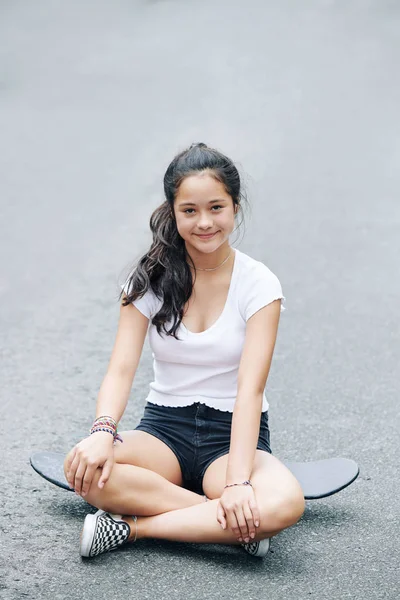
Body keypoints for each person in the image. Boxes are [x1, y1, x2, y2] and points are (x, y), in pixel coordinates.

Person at [64, 142, 305, 559]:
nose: (204, 222)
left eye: (216, 208)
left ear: (235, 208)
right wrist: (103, 432)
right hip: (163, 431)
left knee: (285, 504)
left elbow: (250, 389)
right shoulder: (149, 280)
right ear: (173, 213)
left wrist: (236, 483)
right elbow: (121, 370)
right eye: (190, 211)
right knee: (84, 471)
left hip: (230, 438)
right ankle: (234, 526)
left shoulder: (260, 284)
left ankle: (131, 529)